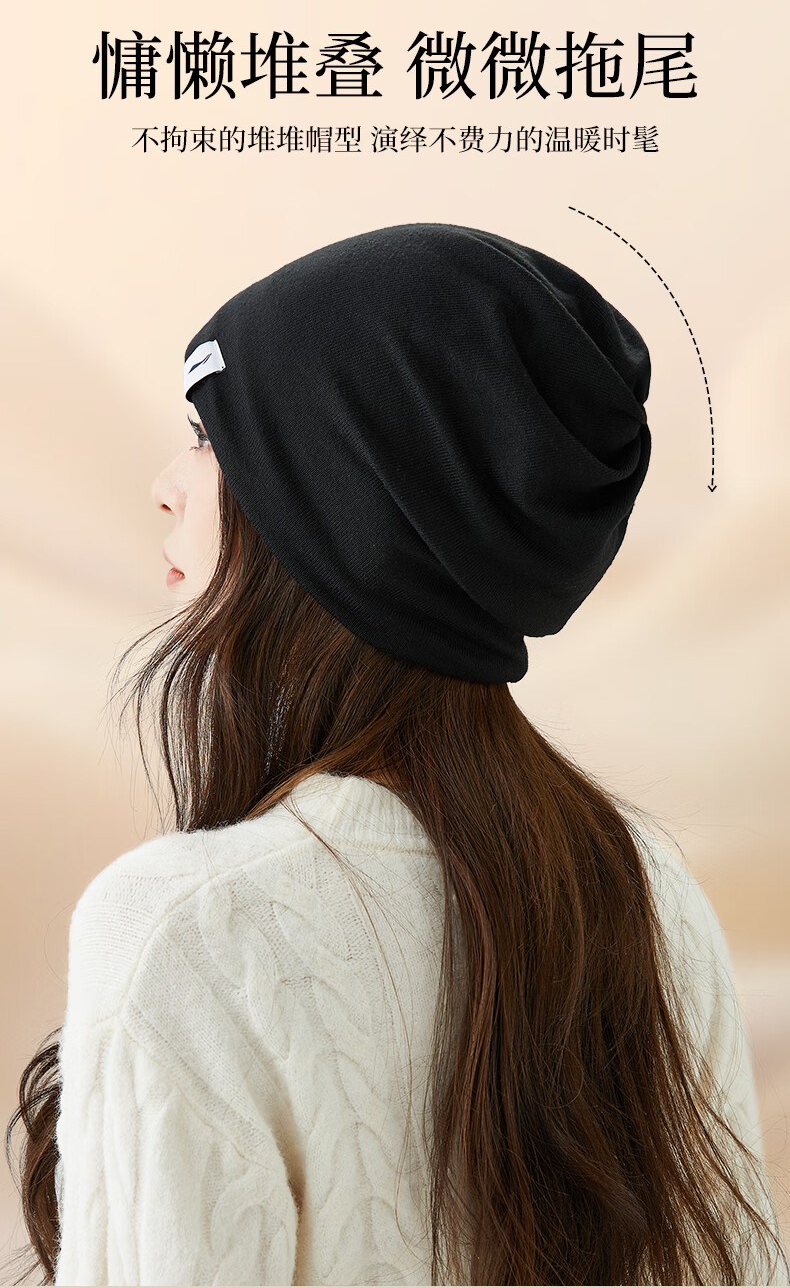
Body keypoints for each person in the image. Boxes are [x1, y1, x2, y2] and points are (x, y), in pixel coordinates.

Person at [5, 222, 788, 1286]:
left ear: (338, 498)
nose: (167, 484)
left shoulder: (183, 928)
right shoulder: (646, 894)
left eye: (210, 436)